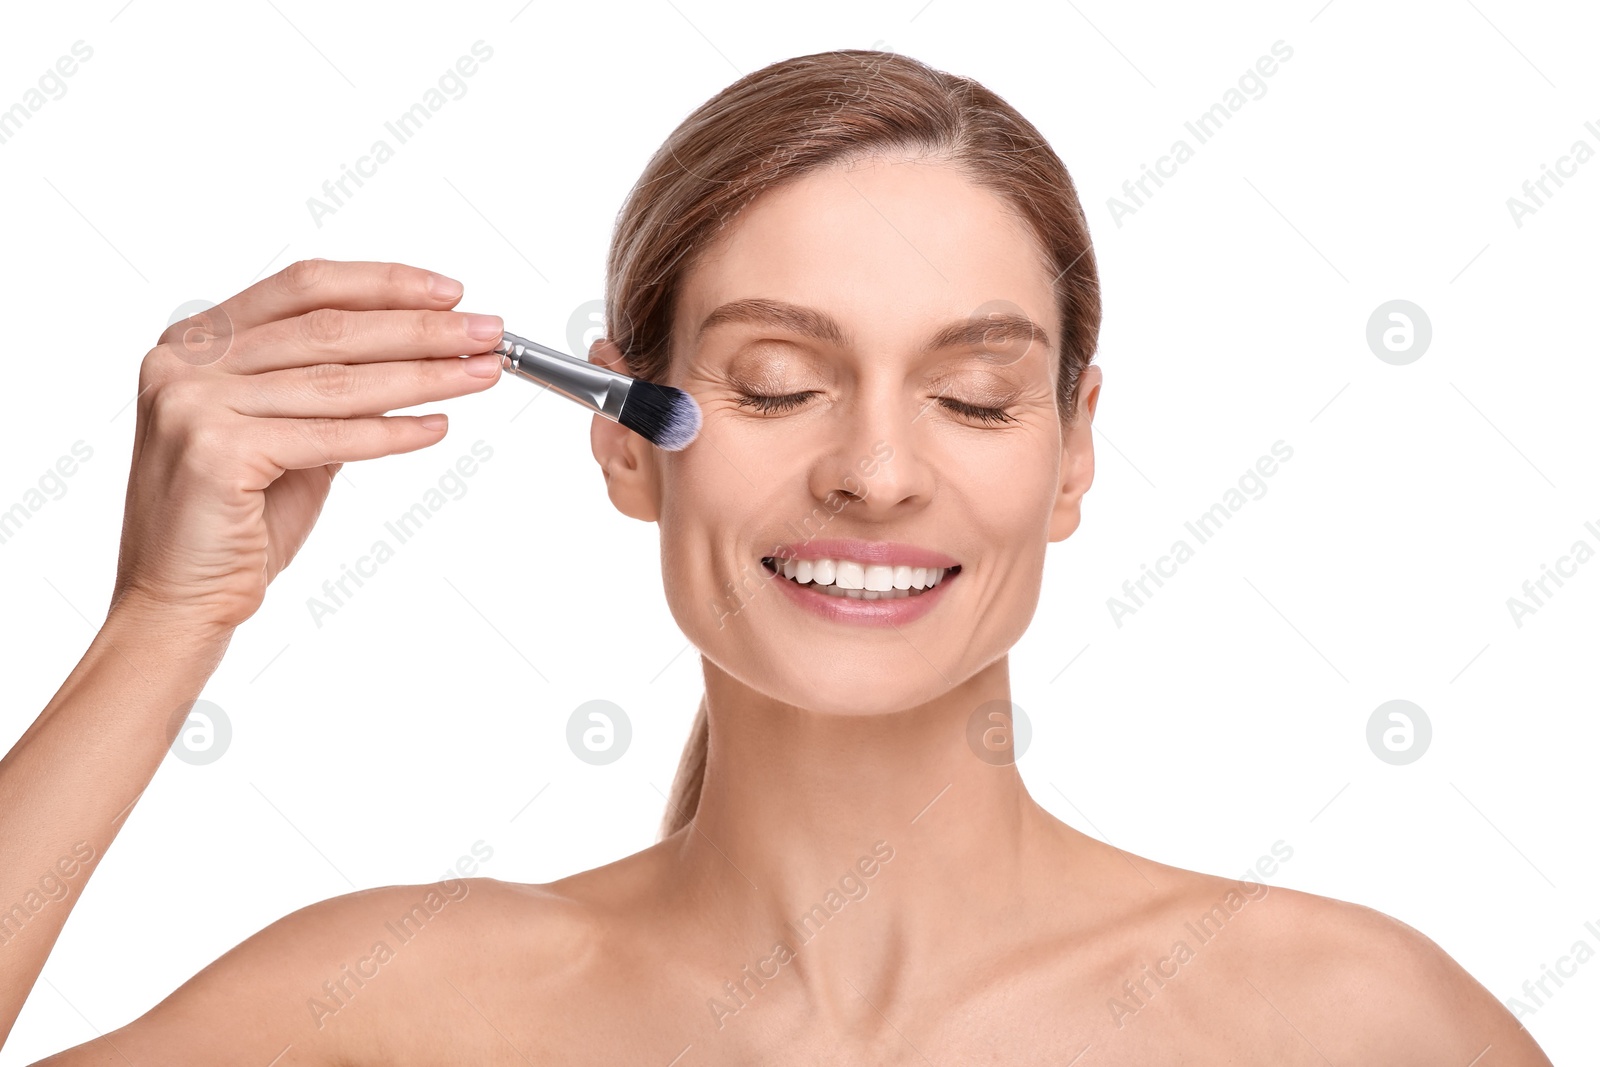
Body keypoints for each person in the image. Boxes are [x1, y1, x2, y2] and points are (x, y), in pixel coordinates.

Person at [2, 49, 1552, 1064]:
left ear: (1072, 449)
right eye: (774, 387)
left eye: (973, 397)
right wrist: (165, 617)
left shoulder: (1339, 1024)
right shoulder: (400, 1008)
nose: (876, 471)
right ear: (624, 432)